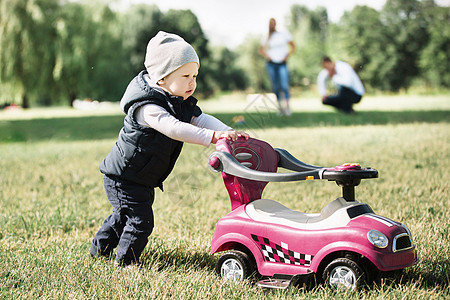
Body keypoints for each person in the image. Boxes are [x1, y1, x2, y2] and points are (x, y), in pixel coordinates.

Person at [90, 31, 249, 267]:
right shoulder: (147, 106)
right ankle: (125, 264)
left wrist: (227, 132)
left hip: (141, 177)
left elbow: (201, 119)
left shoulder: (178, 100)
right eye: (185, 75)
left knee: (122, 217)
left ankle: (98, 252)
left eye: (195, 75)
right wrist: (213, 137)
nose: (192, 82)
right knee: (140, 221)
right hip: (123, 177)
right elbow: (174, 128)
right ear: (161, 77)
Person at [258, 18, 296, 116]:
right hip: (271, 64)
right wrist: (267, 56)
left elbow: (293, 46)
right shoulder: (266, 37)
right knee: (276, 87)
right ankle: (280, 108)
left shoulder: (283, 34)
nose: (272, 25)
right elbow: (261, 50)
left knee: (284, 85)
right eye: (271, 23)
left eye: (273, 23)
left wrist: (286, 56)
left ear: (276, 24)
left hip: (282, 63)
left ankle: (287, 107)